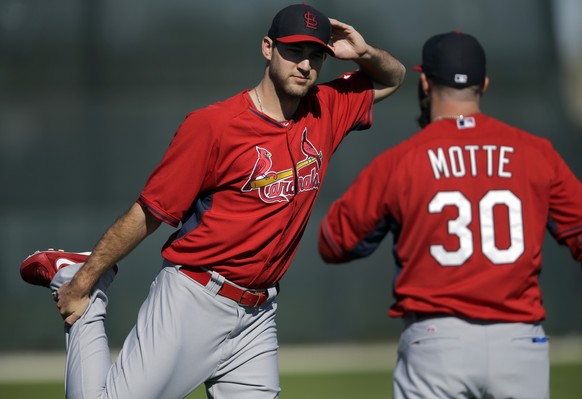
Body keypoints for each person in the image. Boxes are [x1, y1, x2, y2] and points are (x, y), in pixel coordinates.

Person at [19, 3, 405, 399]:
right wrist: (84, 282)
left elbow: (394, 77)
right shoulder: (213, 125)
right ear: (268, 48)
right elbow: (150, 213)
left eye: (315, 55)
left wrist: (363, 53)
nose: (304, 65)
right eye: (294, 51)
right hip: (196, 298)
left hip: (258, 315)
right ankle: (77, 277)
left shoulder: (326, 108)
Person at [318, 31, 582, 399]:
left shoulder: (402, 160)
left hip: (437, 342)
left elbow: (334, 242)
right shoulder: (537, 153)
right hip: (520, 343)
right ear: (484, 85)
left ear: (425, 82)